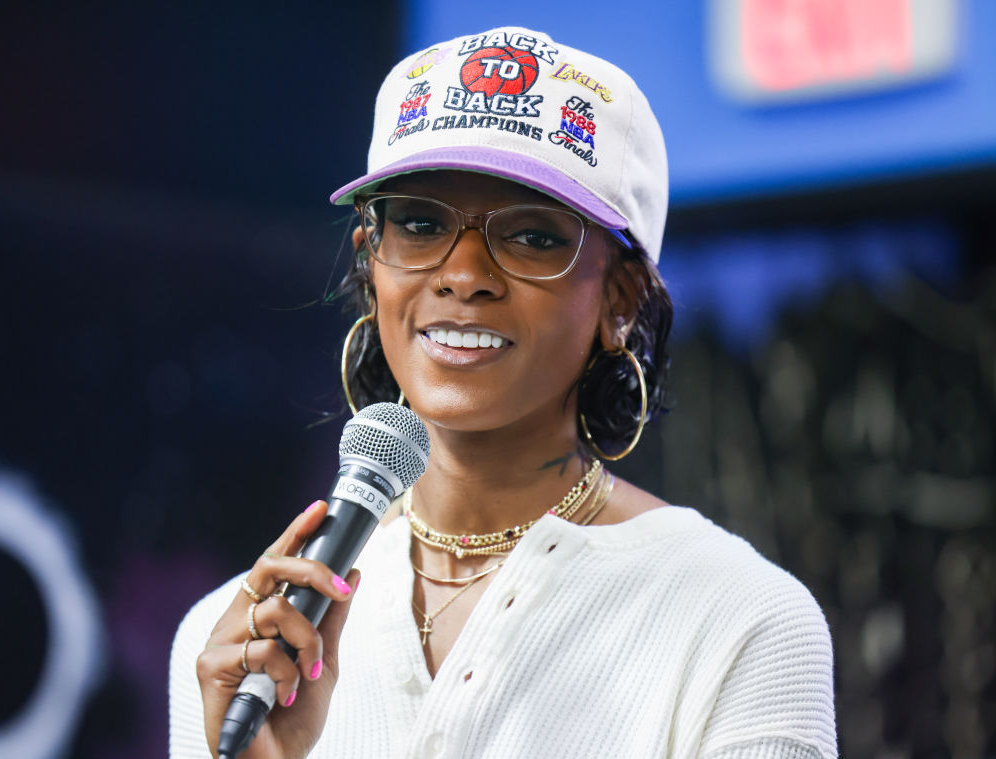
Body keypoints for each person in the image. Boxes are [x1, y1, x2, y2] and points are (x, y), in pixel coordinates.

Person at [170, 26, 836, 759]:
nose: (463, 275)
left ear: (620, 298)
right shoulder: (239, 651)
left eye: (532, 236)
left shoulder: (741, 620)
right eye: (420, 223)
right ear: (372, 265)